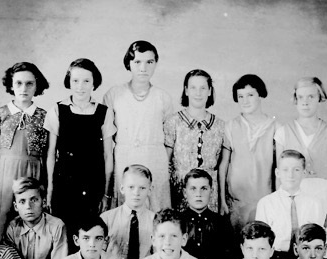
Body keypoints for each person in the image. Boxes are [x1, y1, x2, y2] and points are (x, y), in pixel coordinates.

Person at [44, 58, 116, 234]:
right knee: (66, 233)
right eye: (75, 81)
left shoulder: (104, 112)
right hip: (65, 184)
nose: (80, 86)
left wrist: (106, 194)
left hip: (94, 184)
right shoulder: (57, 110)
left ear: (94, 83)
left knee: (91, 233)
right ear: (69, 82)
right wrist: (50, 189)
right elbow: (51, 154)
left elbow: (108, 155)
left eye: (86, 81)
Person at [103, 40, 173, 211]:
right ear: (129, 63)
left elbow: (170, 138)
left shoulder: (162, 97)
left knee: (156, 208)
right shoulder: (114, 94)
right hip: (125, 157)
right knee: (126, 207)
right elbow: (107, 135)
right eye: (137, 62)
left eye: (149, 62)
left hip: (155, 159)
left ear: (156, 64)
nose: (143, 68)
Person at [0, 62, 50, 242]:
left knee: (30, 215)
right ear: (11, 85)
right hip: (6, 170)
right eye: (19, 83)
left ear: (37, 85)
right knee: (3, 213)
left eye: (29, 83)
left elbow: (46, 150)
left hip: (34, 170)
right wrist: (6, 163)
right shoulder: (0, 113)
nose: (24, 88)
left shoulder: (43, 116)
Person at [275, 77, 327, 234]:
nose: (305, 102)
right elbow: (279, 175)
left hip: (321, 196)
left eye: (311, 97)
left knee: (317, 243)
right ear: (295, 100)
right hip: (292, 195)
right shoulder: (283, 132)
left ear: (320, 98)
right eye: (300, 97)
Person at [218, 74, 277, 238]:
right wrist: (222, 200)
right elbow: (223, 166)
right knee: (237, 246)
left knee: (260, 244)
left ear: (261, 95)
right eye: (240, 96)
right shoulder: (231, 126)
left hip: (264, 199)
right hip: (237, 202)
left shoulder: (274, 127)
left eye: (250, 95)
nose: (245, 100)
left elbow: (279, 167)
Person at [255, 149, 327, 259]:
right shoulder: (266, 203)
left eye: (296, 170)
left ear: (304, 173)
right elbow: (260, 242)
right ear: (277, 173)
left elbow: (320, 237)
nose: (290, 175)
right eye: (285, 170)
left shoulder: (314, 204)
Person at [164, 69, 225, 211]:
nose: (198, 93)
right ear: (186, 91)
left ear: (210, 91)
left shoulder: (220, 126)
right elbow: (164, 164)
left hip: (209, 194)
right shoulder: (173, 122)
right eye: (193, 88)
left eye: (203, 88)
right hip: (179, 193)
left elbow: (222, 169)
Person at [100, 164, 155, 259]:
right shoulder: (106, 219)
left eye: (142, 188)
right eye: (131, 187)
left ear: (150, 190)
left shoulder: (156, 221)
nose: (136, 193)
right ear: (122, 188)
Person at [181, 168, 235, 259]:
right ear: (184, 192)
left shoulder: (221, 222)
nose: (198, 194)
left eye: (204, 188)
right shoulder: (178, 222)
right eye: (193, 189)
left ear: (211, 191)